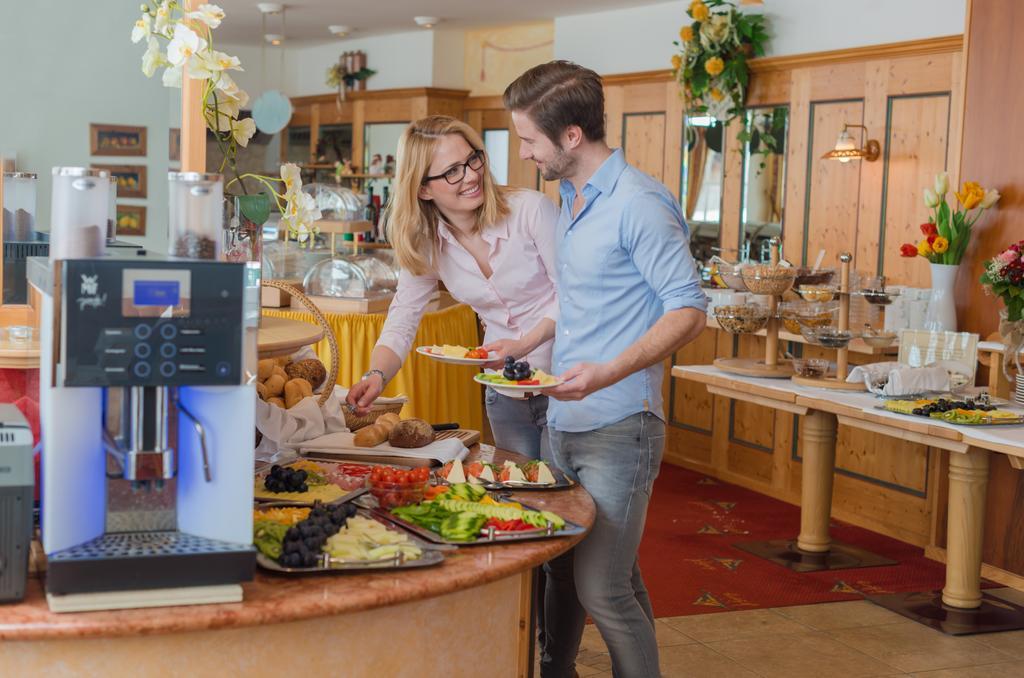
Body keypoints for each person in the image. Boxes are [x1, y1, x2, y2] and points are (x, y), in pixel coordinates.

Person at [504, 61, 708, 677]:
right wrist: (529, 337)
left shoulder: (639, 204)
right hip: (562, 420)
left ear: (570, 136)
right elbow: (584, 301)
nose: (523, 153)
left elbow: (689, 308)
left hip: (621, 424)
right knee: (572, 573)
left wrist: (609, 372)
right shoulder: (569, 197)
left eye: (529, 140)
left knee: (604, 591)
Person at [345, 115, 560, 461]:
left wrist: (524, 344)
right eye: (452, 171)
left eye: (473, 159)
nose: (472, 175)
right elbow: (403, 316)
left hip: (564, 383)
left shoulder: (532, 210)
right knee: (518, 496)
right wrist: (376, 375)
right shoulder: (426, 241)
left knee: (561, 499)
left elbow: (574, 295)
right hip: (503, 390)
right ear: (423, 188)